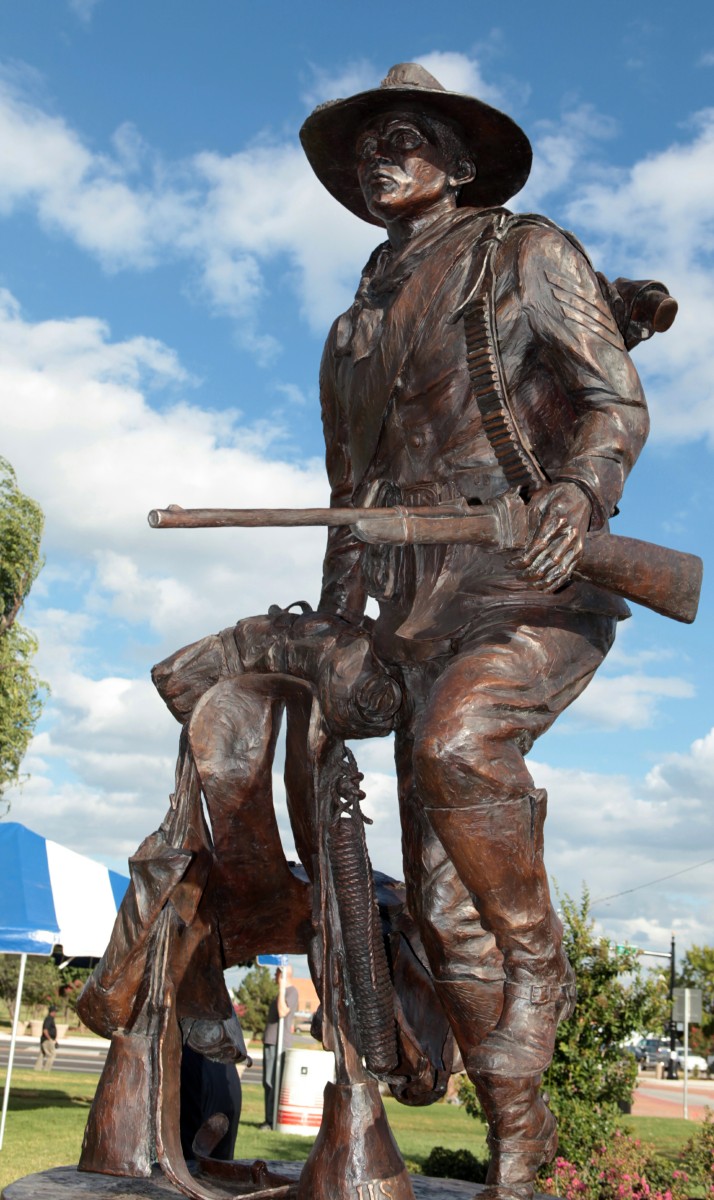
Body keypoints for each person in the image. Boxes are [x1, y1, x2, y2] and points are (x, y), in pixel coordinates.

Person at [299, 63, 652, 1200]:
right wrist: (339, 626)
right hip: (415, 610)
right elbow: (350, 500)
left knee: (460, 745)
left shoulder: (525, 251)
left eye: (402, 137)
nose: (380, 158)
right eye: (368, 147)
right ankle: (518, 1145)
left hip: (530, 586)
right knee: (448, 918)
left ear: (456, 163)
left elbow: (614, 401)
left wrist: (580, 492)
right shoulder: (352, 331)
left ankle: (542, 968)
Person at [260, 964, 298, 1130]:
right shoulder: (282, 992)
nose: (274, 976)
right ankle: (269, 1119)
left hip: (279, 1042)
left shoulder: (291, 992)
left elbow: (283, 1012)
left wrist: (282, 988)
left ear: (283, 975)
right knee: (268, 1082)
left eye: (277, 973)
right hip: (271, 1041)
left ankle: (271, 1121)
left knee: (273, 1082)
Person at [34, 1003, 58, 1071]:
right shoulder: (49, 1019)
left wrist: (55, 1040)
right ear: (52, 1012)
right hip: (47, 1040)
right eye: (55, 1012)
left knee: (42, 1054)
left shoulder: (50, 1019)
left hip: (45, 1039)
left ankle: (37, 1068)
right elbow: (45, 1030)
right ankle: (47, 1069)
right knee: (52, 1054)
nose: (56, 1013)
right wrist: (50, 1039)